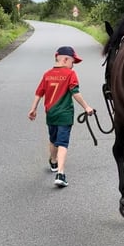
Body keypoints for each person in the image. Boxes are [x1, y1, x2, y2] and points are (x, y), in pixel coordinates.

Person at [28, 46, 94, 188]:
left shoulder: (47, 74)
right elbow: (75, 92)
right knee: (63, 143)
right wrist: (86, 107)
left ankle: (53, 161)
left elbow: (39, 92)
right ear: (65, 59)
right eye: (72, 61)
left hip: (50, 113)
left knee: (53, 140)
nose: (73, 65)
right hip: (65, 114)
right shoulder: (70, 74)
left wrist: (33, 109)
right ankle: (60, 174)